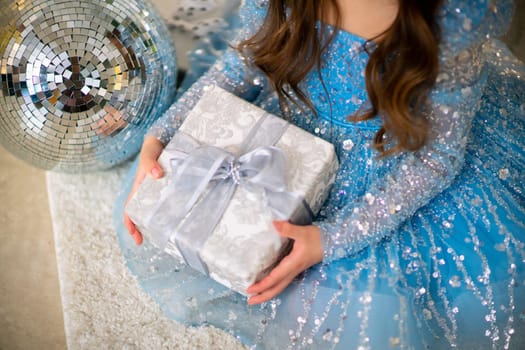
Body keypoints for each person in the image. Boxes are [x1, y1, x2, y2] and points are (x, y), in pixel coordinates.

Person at [114, 0, 525, 348]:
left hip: (395, 157)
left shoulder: (453, 17)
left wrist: (332, 238)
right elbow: (243, 63)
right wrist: (164, 134)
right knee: (191, 222)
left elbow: (437, 159)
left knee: (361, 314)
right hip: (293, 128)